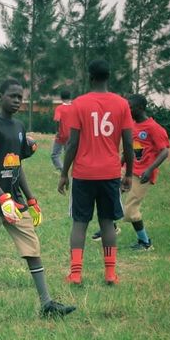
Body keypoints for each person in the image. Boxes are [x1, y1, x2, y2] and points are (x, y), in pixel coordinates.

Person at [0, 78, 75, 316]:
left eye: (20, 97)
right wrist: (1, 198)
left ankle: (47, 304)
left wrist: (31, 199)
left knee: (32, 247)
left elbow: (17, 165)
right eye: (12, 96)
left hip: (15, 200)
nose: (16, 101)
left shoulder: (20, 127)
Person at [56, 59, 134, 286]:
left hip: (83, 174)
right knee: (107, 222)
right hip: (110, 173)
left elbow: (72, 143)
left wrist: (64, 173)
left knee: (80, 223)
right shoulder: (122, 104)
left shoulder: (79, 104)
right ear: (108, 77)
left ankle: (76, 274)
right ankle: (110, 274)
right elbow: (128, 144)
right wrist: (128, 173)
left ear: (90, 77)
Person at [122, 94, 169, 250]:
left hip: (142, 175)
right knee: (107, 194)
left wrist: (150, 170)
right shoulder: (133, 125)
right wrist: (118, 165)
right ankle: (108, 228)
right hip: (128, 171)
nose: (127, 110)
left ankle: (145, 242)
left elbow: (164, 152)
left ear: (140, 108)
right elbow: (129, 149)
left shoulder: (153, 128)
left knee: (130, 211)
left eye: (130, 108)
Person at [50, 89, 73, 172]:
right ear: (70, 97)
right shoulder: (74, 108)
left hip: (61, 135)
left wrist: (57, 131)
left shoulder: (59, 108)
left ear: (61, 98)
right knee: (69, 155)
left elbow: (57, 120)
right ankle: (70, 170)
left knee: (55, 155)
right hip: (72, 135)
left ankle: (63, 170)